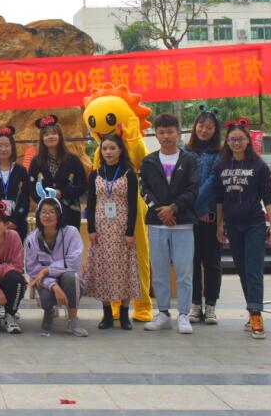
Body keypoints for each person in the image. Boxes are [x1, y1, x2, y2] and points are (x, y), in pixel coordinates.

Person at [215, 119, 271, 339]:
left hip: (254, 224)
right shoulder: (222, 166)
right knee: (242, 271)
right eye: (232, 139)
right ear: (227, 142)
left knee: (253, 270)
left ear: (248, 140)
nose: (236, 142)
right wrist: (219, 226)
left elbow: (267, 197)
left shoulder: (259, 166)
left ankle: (256, 314)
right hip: (233, 225)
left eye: (240, 139)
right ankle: (252, 310)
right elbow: (219, 199)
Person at [139, 113, 200, 335]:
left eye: (170, 131)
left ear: (178, 132)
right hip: (156, 225)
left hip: (183, 224)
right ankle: (163, 313)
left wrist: (173, 208)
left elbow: (193, 189)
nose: (166, 136)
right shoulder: (149, 161)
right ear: (155, 134)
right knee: (160, 272)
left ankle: (184, 314)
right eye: (161, 132)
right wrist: (161, 211)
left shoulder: (189, 160)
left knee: (184, 271)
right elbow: (144, 189)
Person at [85, 134, 140, 331]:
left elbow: (133, 205)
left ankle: (125, 314)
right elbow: (91, 204)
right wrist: (91, 228)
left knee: (124, 268)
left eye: (112, 148)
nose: (108, 152)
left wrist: (130, 231)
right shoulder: (96, 173)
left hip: (121, 228)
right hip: (101, 229)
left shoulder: (128, 174)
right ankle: (107, 314)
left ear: (120, 150)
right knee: (103, 269)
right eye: (105, 148)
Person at [25, 190, 87, 337]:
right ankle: (49, 311)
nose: (47, 216)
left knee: (71, 277)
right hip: (46, 282)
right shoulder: (32, 239)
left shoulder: (71, 233)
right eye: (44, 212)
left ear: (59, 214)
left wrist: (47, 271)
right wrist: (53, 285)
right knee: (46, 297)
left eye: (52, 212)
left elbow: (73, 262)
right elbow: (32, 269)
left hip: (69, 279)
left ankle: (73, 320)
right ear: (38, 215)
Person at [186, 107, 222, 325]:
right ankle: (194, 304)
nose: (204, 130)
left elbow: (213, 183)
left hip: (209, 216)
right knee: (191, 261)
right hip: (188, 217)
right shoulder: (185, 152)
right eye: (201, 125)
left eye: (209, 127)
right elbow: (183, 183)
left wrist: (200, 209)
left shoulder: (219, 154)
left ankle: (211, 305)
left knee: (212, 263)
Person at [27, 115, 88, 231]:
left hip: (69, 212)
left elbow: (82, 184)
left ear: (60, 136)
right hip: (45, 214)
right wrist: (43, 199)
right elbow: (30, 186)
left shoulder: (73, 159)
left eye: (54, 133)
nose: (50, 137)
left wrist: (63, 193)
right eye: (46, 134)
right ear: (42, 138)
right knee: (46, 245)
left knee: (70, 246)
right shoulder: (36, 161)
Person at [0, 126, 31, 237]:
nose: (3, 149)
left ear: (12, 147)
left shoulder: (21, 171)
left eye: (7, 145)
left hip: (17, 224)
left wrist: (14, 220)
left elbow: (25, 198)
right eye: (0, 145)